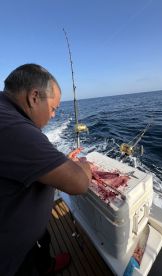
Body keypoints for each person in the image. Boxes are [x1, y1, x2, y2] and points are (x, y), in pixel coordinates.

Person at [0, 64, 92, 276]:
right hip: (12, 259)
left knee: (41, 246)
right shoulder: (13, 127)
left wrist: (57, 163)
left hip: (27, 237)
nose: (53, 116)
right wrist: (83, 166)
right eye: (53, 108)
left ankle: (46, 266)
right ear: (34, 97)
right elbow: (79, 183)